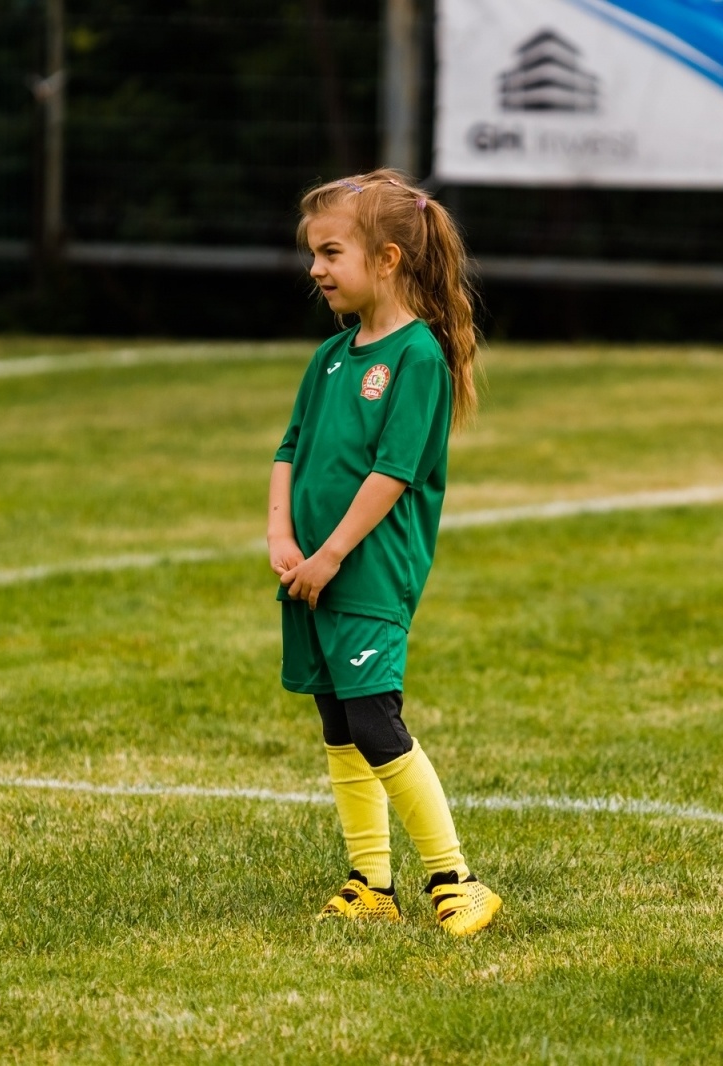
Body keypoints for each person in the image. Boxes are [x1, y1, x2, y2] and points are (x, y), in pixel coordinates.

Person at [267, 169, 501, 937]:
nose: (316, 269)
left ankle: (457, 880)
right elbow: (289, 448)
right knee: (336, 720)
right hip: (314, 570)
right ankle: (371, 880)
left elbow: (393, 474)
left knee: (374, 719)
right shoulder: (331, 357)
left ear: (390, 259)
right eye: (314, 254)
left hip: (366, 571)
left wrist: (330, 554)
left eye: (331, 252)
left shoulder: (417, 358)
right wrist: (281, 537)